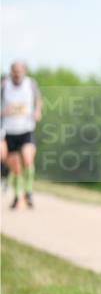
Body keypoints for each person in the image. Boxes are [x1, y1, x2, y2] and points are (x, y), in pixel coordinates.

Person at [2, 62, 44, 210]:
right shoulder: (4, 85)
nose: (17, 74)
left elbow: (38, 100)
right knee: (16, 168)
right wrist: (2, 112)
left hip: (26, 129)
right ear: (11, 72)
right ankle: (17, 196)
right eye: (15, 71)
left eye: (20, 71)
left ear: (24, 71)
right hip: (10, 130)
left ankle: (28, 192)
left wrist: (38, 111)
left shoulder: (31, 84)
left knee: (27, 159)